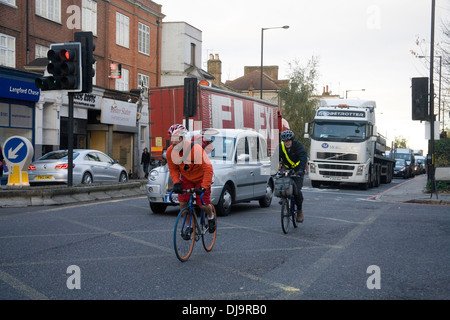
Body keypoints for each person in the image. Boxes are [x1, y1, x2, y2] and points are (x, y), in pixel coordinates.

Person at [166, 124, 216, 232]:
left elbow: (208, 168)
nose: (173, 142)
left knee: (202, 204)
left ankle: (211, 216)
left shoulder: (195, 149)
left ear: (184, 139)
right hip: (187, 178)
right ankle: (189, 226)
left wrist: (204, 186)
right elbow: (173, 169)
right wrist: (176, 182)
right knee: (183, 204)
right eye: (172, 139)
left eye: (177, 139)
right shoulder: (170, 152)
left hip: (201, 178)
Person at [279, 130, 308, 223]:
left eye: (288, 140)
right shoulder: (281, 147)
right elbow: (275, 158)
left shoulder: (297, 145)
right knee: (281, 181)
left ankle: (299, 211)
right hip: (286, 168)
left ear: (292, 140)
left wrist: (301, 170)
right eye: (284, 141)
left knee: (297, 191)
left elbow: (303, 157)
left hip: (298, 169)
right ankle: (283, 197)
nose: (286, 142)